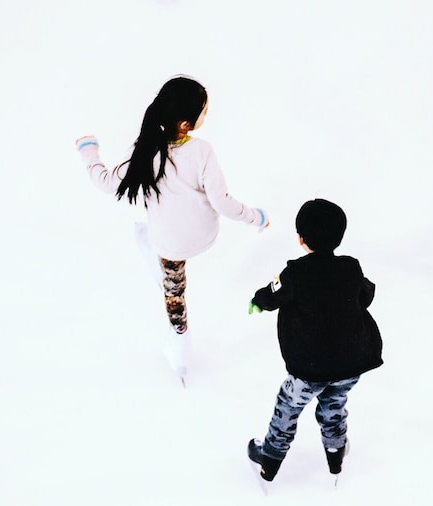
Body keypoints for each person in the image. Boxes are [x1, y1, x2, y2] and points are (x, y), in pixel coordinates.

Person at [75, 75, 269, 384]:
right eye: (203, 111)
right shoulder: (202, 151)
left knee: (172, 289)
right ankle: (164, 278)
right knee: (145, 235)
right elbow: (222, 202)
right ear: (184, 124)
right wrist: (255, 217)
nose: (206, 115)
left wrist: (89, 153)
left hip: (169, 246)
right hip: (204, 235)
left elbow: (105, 181)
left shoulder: (145, 152)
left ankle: (180, 348)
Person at [246, 199, 383, 483]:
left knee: (288, 406)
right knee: (333, 405)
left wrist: (258, 300)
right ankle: (335, 452)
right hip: (350, 361)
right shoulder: (351, 268)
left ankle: (269, 458)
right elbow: (366, 295)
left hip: (309, 367)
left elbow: (273, 295)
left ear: (301, 238)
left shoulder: (295, 273)